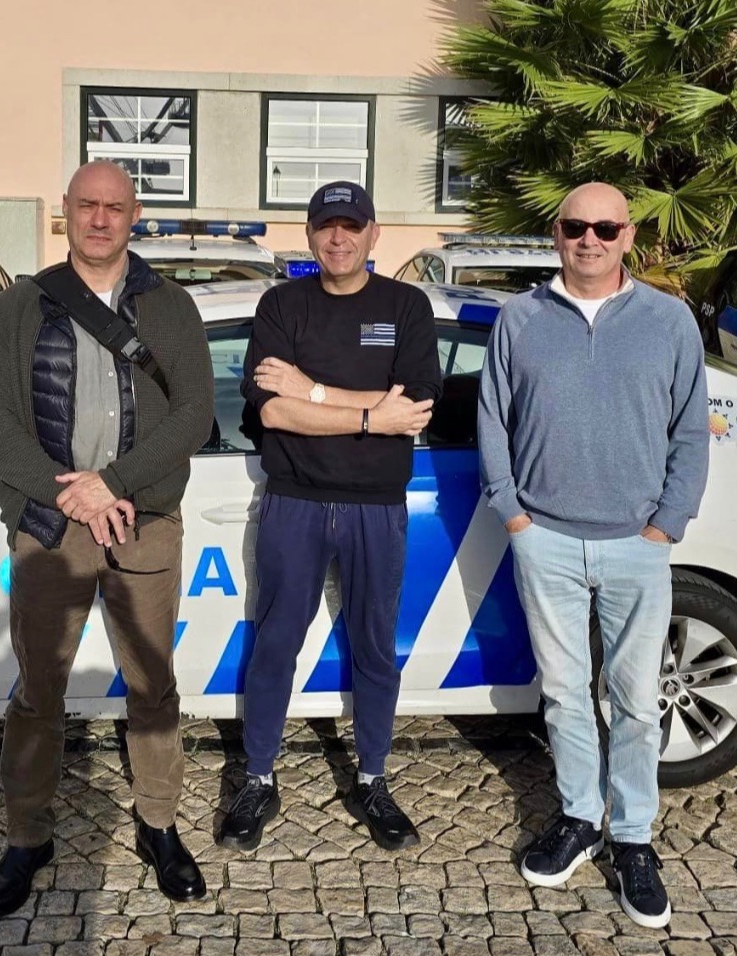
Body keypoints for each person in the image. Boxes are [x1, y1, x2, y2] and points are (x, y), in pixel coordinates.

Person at [0, 161, 215, 917]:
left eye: (115, 207)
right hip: (52, 529)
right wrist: (68, 494)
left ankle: (158, 825)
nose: (101, 219)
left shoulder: (171, 306)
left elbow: (194, 415)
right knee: (37, 690)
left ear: (134, 215)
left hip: (144, 522)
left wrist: (114, 483)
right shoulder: (23, 304)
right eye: (87, 206)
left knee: (153, 687)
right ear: (66, 212)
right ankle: (26, 837)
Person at [476, 183, 709, 929]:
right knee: (564, 693)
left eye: (605, 228)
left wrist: (667, 523)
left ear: (628, 236)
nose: (590, 239)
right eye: (577, 226)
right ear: (556, 233)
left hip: (638, 543)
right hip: (543, 538)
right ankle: (580, 816)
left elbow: (691, 430)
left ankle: (633, 836)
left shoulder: (669, 321)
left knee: (636, 700)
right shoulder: (520, 319)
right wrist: (513, 514)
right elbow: (493, 418)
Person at [219, 181, 441, 852]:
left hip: (378, 507)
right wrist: (372, 413)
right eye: (326, 226)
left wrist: (312, 391)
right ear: (311, 235)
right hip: (295, 501)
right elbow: (272, 411)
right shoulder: (281, 305)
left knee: (374, 648)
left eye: (351, 225)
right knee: (275, 644)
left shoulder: (406, 306)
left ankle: (373, 779)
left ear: (374, 233)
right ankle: (258, 778)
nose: (338, 238)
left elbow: (413, 411)